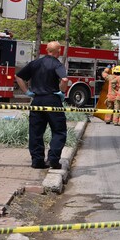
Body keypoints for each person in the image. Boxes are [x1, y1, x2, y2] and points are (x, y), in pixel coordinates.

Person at [15, 41, 69, 169]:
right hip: (53, 100)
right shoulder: (57, 64)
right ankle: (53, 160)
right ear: (59, 52)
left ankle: (37, 161)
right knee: (59, 131)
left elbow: (18, 76)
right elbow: (65, 79)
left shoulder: (36, 63)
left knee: (36, 132)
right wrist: (61, 92)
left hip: (37, 101)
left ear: (46, 49)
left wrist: (27, 92)